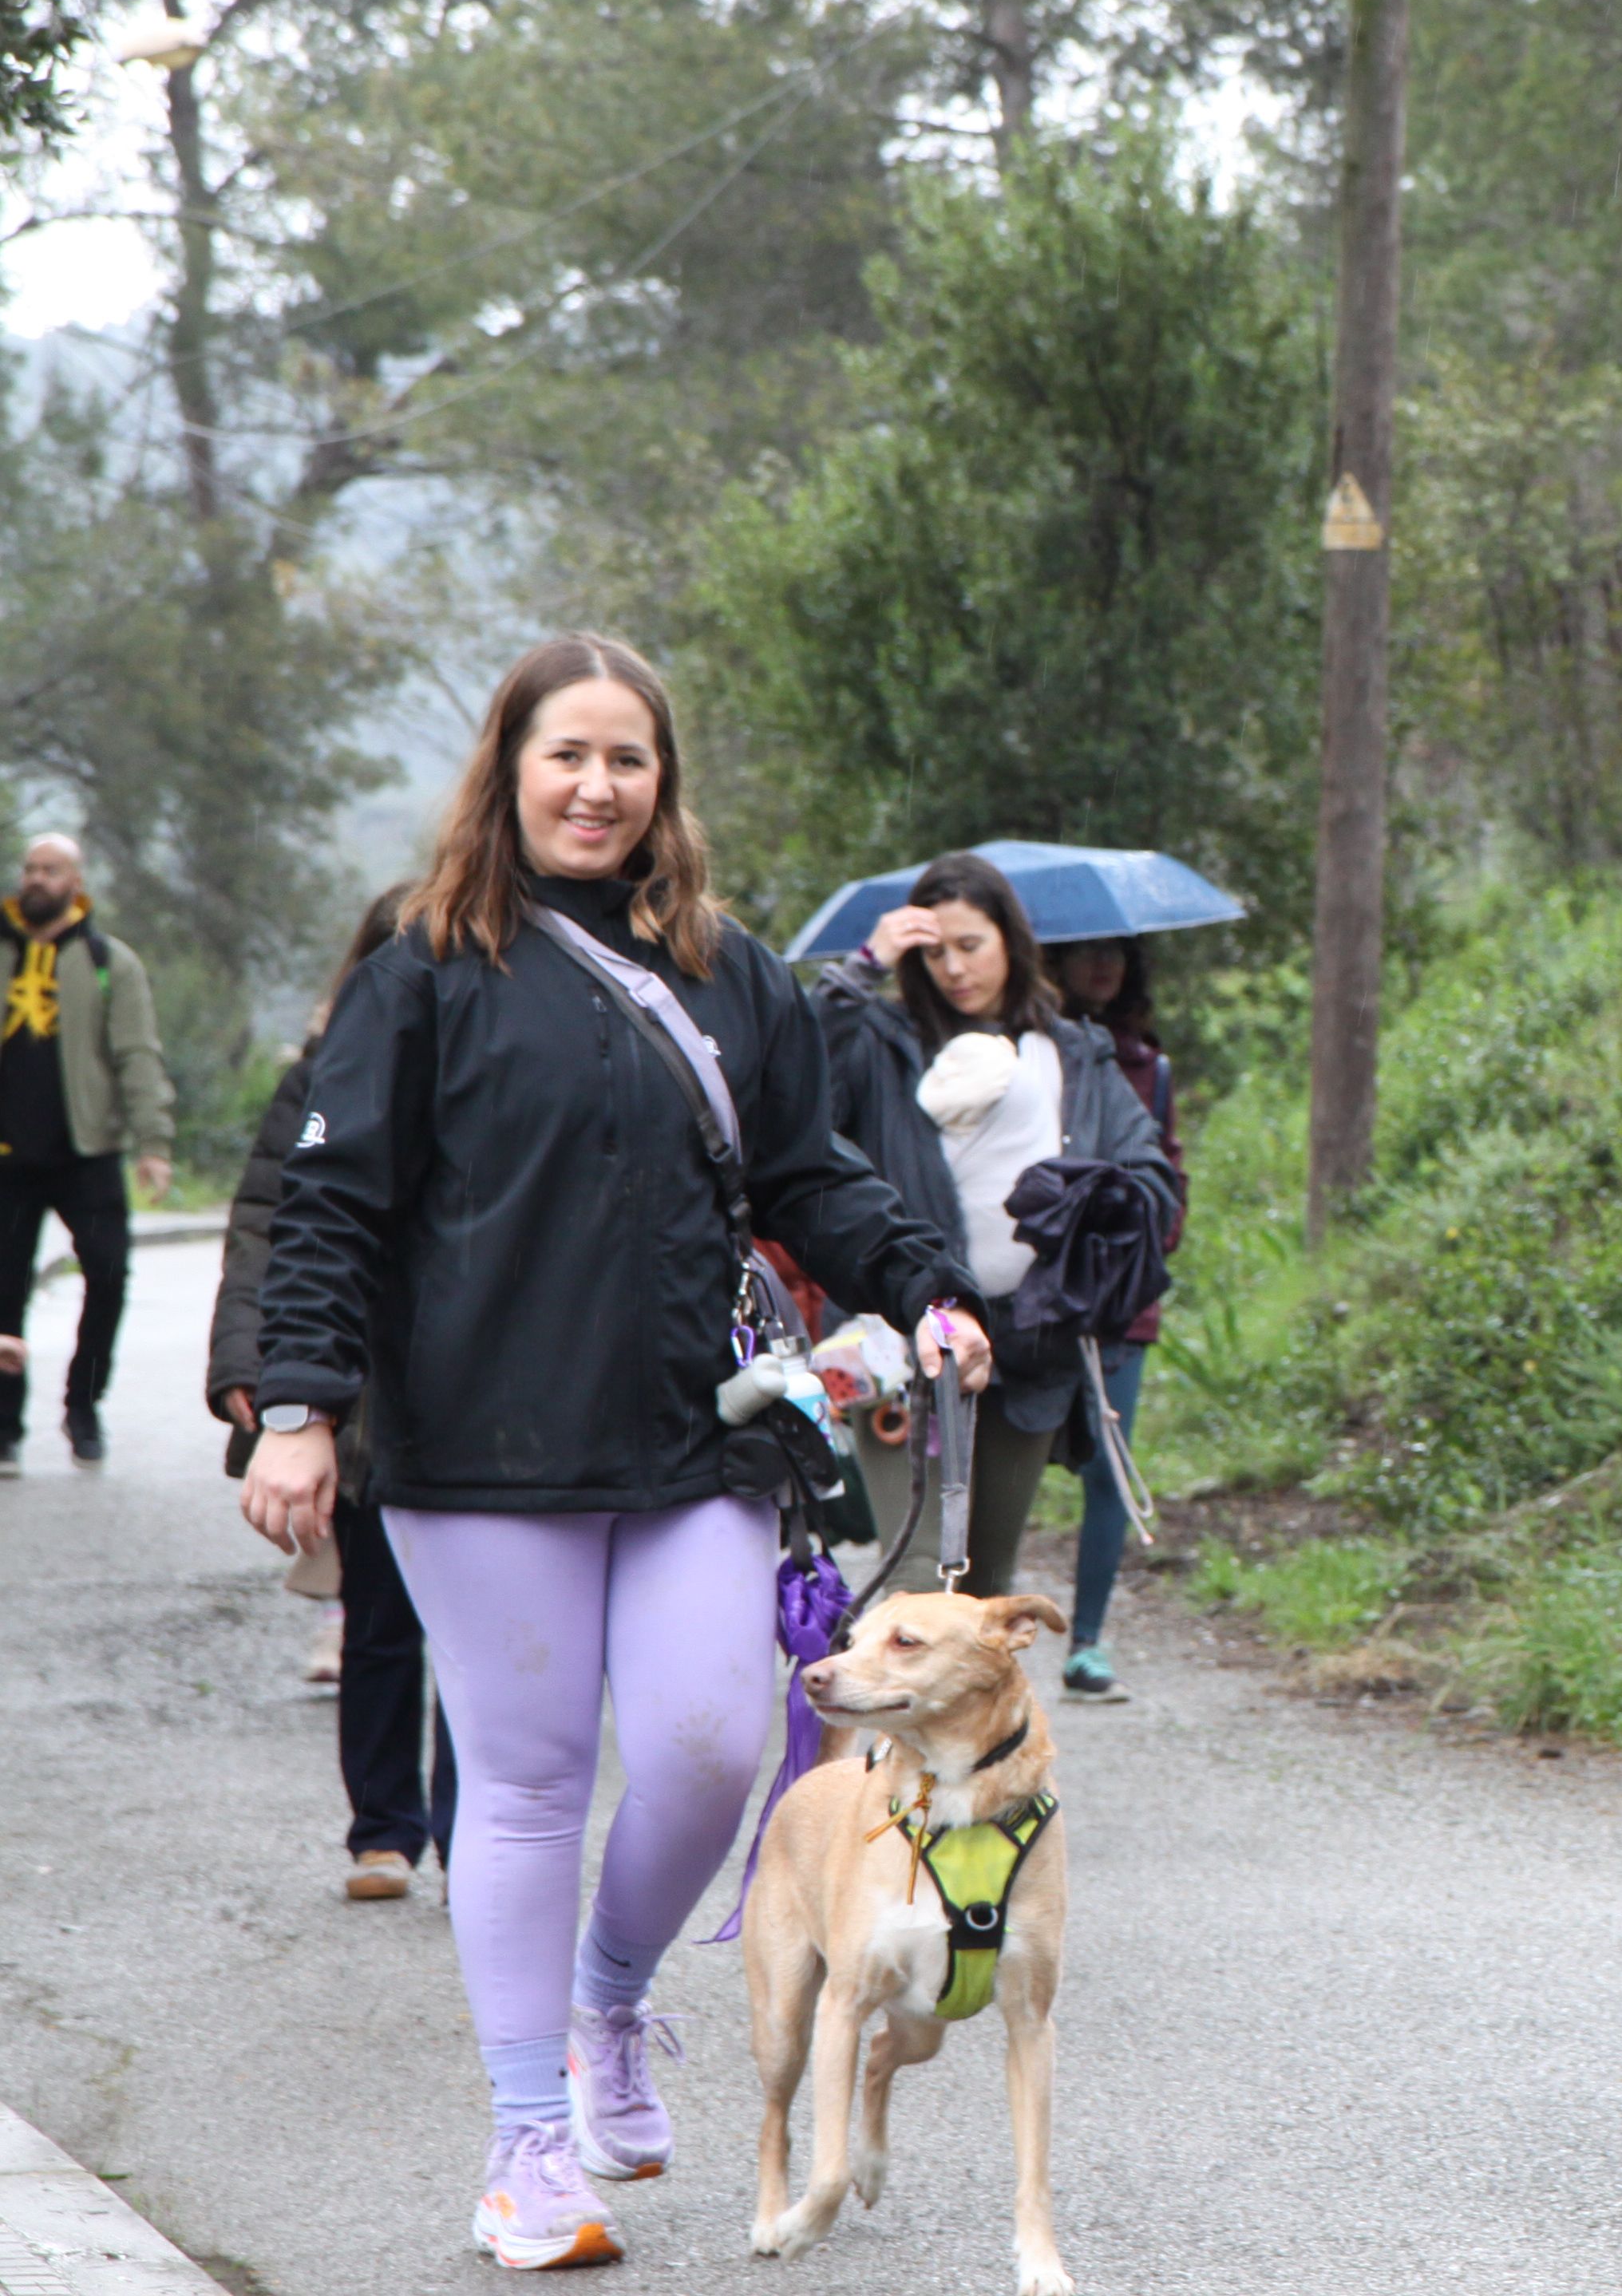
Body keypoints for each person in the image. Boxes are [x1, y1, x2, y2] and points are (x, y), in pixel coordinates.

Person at [239, 634, 993, 2270]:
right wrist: (299, 1406)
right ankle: (525, 2144)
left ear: (665, 782)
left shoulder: (730, 971)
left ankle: (610, 1998)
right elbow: (329, 1201)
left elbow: (812, 1172)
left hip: (689, 1428)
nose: (597, 786)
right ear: (509, 770)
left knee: (715, 1745)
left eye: (627, 758)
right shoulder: (423, 973)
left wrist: (927, 1287)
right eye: (566, 755)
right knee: (525, 1780)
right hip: (476, 1444)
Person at [813, 855, 1174, 1599]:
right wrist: (863, 967)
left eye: (970, 946)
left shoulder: (1074, 1051)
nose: (954, 969)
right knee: (918, 1582)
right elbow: (794, 1084)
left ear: (1011, 940)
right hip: (901, 1341)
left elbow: (1148, 1172)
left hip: (1031, 1344)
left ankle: (965, 1689)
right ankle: (891, 1684)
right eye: (934, 953)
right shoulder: (882, 1042)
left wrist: (1098, 1208)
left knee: (984, 1590)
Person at [208, 883, 458, 1903]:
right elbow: (265, 1223)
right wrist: (248, 1365)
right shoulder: (320, 1074)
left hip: (475, 1391)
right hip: (358, 1394)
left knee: (486, 1634)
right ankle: (384, 1833)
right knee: (382, 1623)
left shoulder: (502, 1062)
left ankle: (475, 1834)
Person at [0, 832, 175, 1472]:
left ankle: (84, 1405)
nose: (36, 879)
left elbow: (137, 1055)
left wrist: (153, 1143)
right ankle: (4, 1425)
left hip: (87, 1153)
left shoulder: (109, 961)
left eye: (50, 870)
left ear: (75, 882)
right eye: (30, 868)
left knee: (109, 1276)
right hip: (7, 1161)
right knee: (4, 1291)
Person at [1047, 933, 1186, 1701]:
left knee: (1109, 1466)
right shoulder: (1023, 1052)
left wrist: (1142, 1243)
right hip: (1032, 1296)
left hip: (1120, 1303)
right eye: (1087, 952)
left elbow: (1170, 1173)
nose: (1104, 965)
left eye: (1117, 953)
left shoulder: (1148, 1067)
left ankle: (1087, 1643)